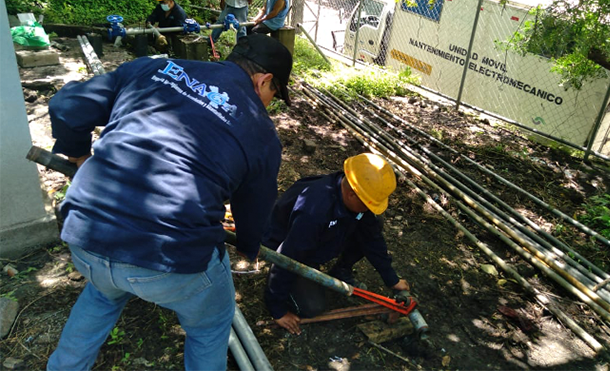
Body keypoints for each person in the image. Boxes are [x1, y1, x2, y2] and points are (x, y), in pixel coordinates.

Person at [45, 34, 292, 371]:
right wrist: (250, 248)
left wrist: (79, 157)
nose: (268, 104)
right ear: (264, 81)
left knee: (103, 293)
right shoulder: (261, 133)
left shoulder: (154, 68)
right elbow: (254, 215)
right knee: (209, 325)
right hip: (170, 258)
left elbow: (67, 105)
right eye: (273, 95)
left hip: (86, 235)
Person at [262, 153, 411, 335]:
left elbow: (373, 239)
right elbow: (287, 257)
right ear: (351, 194)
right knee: (313, 307)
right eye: (367, 204)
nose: (369, 208)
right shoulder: (314, 212)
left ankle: (341, 271)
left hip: (316, 239)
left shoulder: (353, 197)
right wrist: (277, 309)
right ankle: (287, 285)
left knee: (372, 224)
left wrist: (392, 279)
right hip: (290, 247)